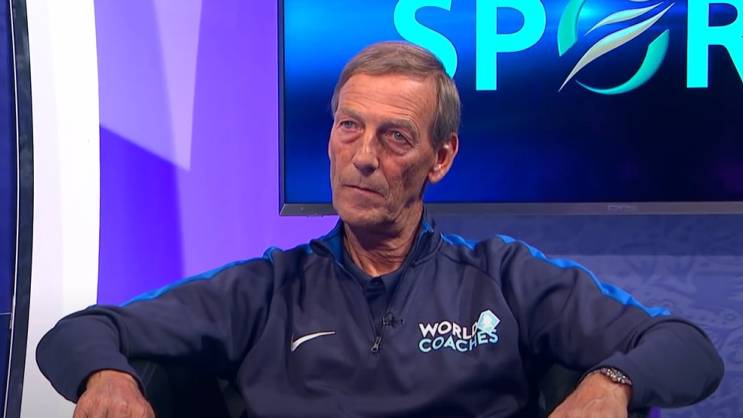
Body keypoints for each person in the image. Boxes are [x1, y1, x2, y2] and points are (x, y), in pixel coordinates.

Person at [37, 41, 723, 418]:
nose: (363, 156)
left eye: (394, 136)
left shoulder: (503, 277)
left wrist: (611, 381)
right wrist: (107, 376)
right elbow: (80, 332)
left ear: (440, 158)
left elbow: (688, 349)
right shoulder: (266, 288)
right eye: (348, 127)